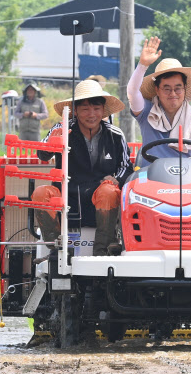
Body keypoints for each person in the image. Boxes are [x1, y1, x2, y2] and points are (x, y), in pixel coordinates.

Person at [34, 80, 133, 256]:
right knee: (41, 193)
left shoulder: (115, 135)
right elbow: (42, 155)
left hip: (102, 200)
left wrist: (116, 178)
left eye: (96, 108)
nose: (91, 114)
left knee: (110, 191)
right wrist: (51, 144)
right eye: (85, 108)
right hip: (66, 198)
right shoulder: (62, 128)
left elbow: (127, 167)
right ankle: (57, 248)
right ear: (75, 111)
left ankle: (103, 249)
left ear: (103, 110)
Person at [126, 36, 191, 168]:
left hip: (188, 177)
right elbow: (132, 92)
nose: (173, 94)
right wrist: (142, 65)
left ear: (185, 89)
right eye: (166, 89)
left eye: (178, 88)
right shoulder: (146, 111)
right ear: (157, 90)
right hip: (152, 179)